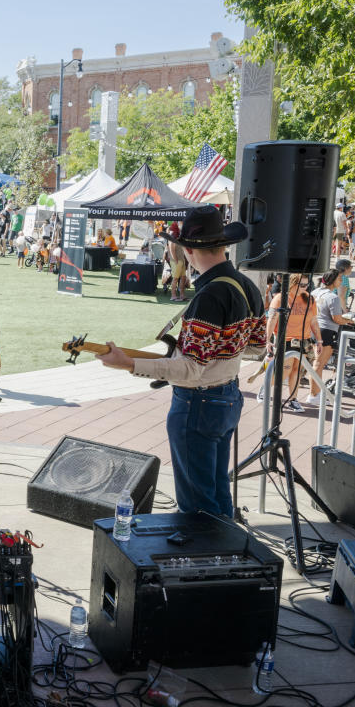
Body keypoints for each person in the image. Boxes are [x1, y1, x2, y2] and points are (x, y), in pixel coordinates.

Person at [96, 206, 263, 517]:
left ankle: (206, 558)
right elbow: (257, 346)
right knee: (216, 492)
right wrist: (220, 351)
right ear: (223, 245)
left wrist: (128, 363)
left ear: (188, 250)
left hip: (198, 403)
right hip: (228, 397)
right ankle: (224, 556)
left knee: (197, 507)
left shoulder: (210, 296)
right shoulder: (248, 286)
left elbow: (189, 369)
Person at [265, 274, 318, 412]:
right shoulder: (280, 298)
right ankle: (264, 389)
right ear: (292, 283)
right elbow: (272, 320)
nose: (305, 288)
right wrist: (268, 340)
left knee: (297, 371)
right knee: (284, 371)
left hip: (303, 339)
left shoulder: (310, 299)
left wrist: (319, 339)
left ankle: (293, 400)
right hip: (285, 339)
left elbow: (313, 321)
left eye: (307, 285)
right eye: (302, 285)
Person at [306, 269, 355, 409]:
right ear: (332, 280)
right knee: (319, 364)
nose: (341, 281)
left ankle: (315, 394)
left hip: (313, 329)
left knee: (316, 363)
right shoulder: (332, 297)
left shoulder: (314, 292)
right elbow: (336, 319)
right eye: (339, 278)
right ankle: (313, 395)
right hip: (326, 332)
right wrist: (350, 321)